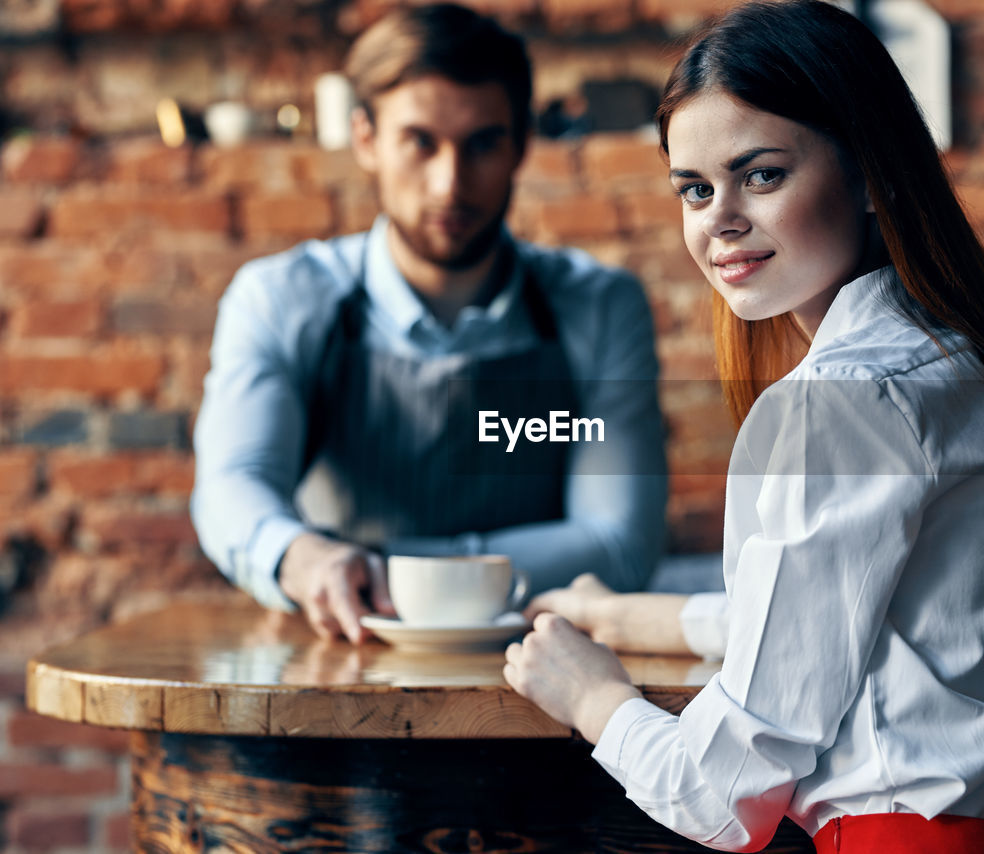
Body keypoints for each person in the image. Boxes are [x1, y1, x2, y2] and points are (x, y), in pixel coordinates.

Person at [502, 2, 984, 852]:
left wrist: (592, 697)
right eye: (694, 188)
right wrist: (629, 616)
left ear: (869, 173)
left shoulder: (844, 400)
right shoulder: (968, 365)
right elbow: (845, 618)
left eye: (760, 176)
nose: (719, 218)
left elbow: (721, 801)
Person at [191, 3, 667, 645]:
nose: (450, 184)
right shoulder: (281, 298)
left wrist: (387, 569)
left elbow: (619, 540)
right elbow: (233, 483)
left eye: (482, 144)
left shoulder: (600, 306)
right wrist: (303, 559)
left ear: (521, 144)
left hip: (544, 680)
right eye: (420, 142)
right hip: (339, 662)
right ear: (365, 140)